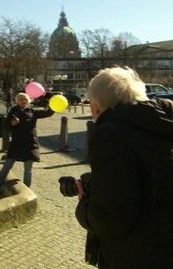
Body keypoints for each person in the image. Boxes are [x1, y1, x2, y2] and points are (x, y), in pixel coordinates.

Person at [73, 67, 173, 268]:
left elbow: (110, 219)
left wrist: (84, 204)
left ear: (96, 107)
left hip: (136, 254)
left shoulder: (110, 136)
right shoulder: (165, 123)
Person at [0, 92, 54, 194]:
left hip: (30, 144)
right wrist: (12, 123)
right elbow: (6, 126)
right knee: (7, 166)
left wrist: (53, 106)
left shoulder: (32, 111)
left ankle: (26, 192)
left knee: (28, 170)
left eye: (25, 99)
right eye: (20, 99)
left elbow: (47, 113)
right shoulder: (13, 111)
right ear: (17, 101)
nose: (23, 101)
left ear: (28, 101)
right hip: (16, 144)